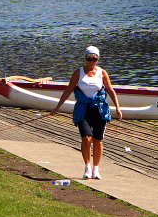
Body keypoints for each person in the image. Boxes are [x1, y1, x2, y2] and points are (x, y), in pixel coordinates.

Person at [50, 46, 123, 180]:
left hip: (99, 110)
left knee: (98, 140)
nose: (92, 61)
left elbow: (110, 90)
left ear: (98, 59)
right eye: (89, 58)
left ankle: (96, 169)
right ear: (85, 58)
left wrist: (118, 108)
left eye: (94, 59)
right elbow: (68, 90)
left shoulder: (102, 73)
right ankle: (87, 166)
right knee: (86, 137)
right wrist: (57, 107)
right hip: (83, 109)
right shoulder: (78, 73)